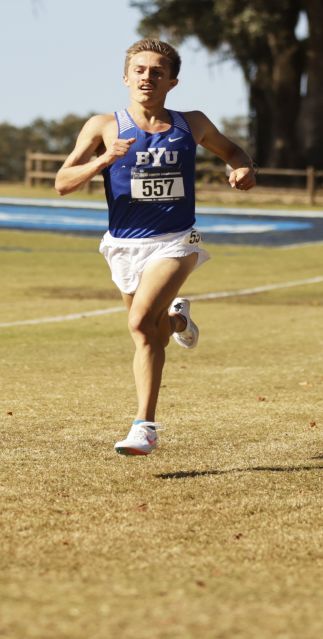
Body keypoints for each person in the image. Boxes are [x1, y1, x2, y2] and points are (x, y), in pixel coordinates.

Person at [56, 39, 256, 456]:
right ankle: (180, 321)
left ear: (172, 81)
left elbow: (232, 150)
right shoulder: (103, 126)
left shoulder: (192, 123)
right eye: (140, 70)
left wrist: (241, 169)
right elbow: (63, 183)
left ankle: (144, 428)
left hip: (176, 241)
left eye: (158, 71)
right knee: (156, 334)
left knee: (139, 326)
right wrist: (102, 160)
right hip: (122, 245)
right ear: (126, 77)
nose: (148, 77)